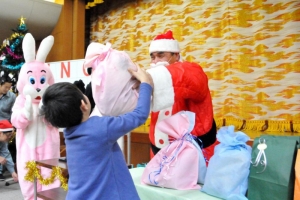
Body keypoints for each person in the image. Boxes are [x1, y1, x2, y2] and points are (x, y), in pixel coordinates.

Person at [40, 66, 152, 200]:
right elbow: (139, 116)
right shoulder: (100, 128)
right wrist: (146, 83)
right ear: (84, 104)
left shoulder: (69, 133)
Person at [145, 30, 218, 163]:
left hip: (194, 159)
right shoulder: (155, 83)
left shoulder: (192, 72)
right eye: (153, 57)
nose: (155, 61)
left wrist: (147, 78)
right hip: (158, 156)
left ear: (176, 55)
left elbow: (185, 77)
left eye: (161, 55)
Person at [0, 75, 16, 179]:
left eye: (9, 87)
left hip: (5, 126)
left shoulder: (12, 97)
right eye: (5, 87)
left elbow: (14, 113)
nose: (7, 89)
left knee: (4, 149)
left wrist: (13, 173)